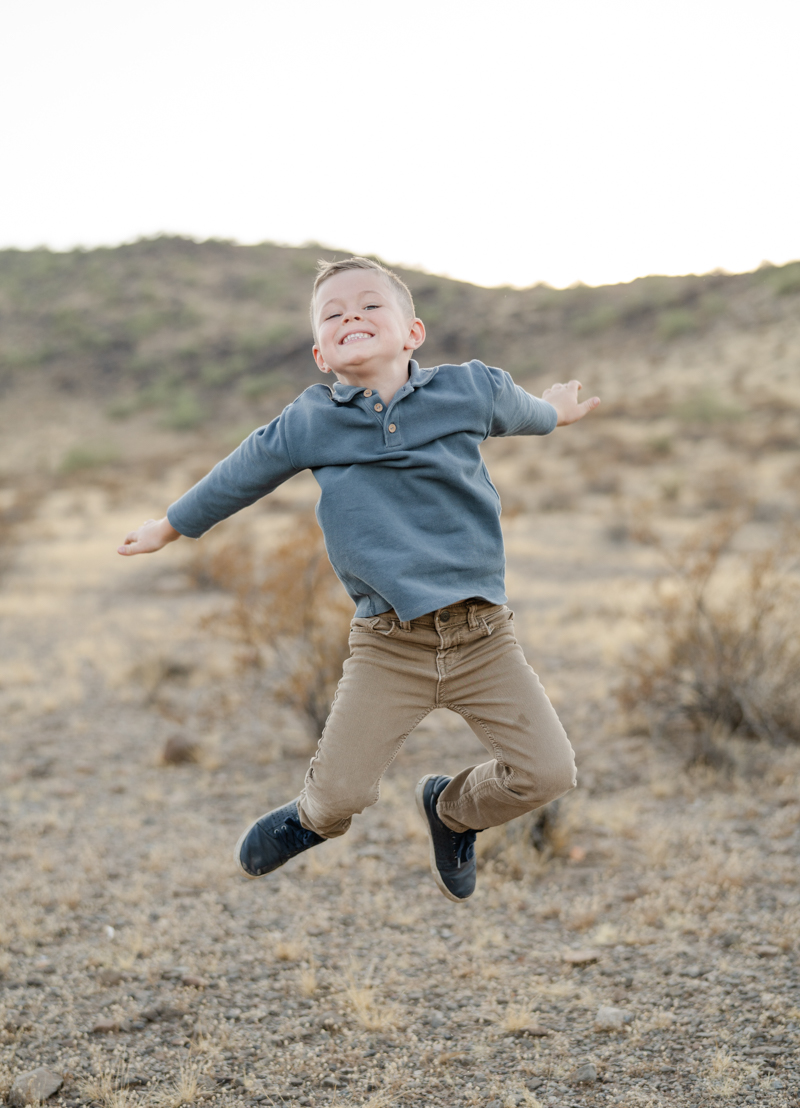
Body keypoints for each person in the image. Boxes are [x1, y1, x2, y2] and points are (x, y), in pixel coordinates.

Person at [118, 257, 600, 903]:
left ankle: (451, 810)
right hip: (389, 643)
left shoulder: (470, 389)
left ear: (413, 332)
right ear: (321, 354)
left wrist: (555, 412)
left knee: (547, 773)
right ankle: (311, 818)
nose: (352, 315)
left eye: (370, 305)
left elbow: (528, 413)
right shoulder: (311, 421)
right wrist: (170, 526)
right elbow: (240, 472)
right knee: (341, 795)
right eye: (333, 312)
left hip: (483, 637)